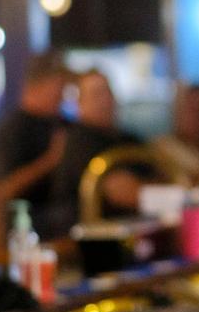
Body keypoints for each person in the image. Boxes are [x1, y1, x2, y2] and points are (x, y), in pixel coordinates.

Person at [45, 69, 142, 234]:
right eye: (97, 94)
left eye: (108, 92)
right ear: (80, 104)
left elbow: (163, 176)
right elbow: (123, 193)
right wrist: (172, 196)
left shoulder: (129, 138)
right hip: (87, 248)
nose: (105, 101)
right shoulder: (79, 141)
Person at [0, 52, 71, 235]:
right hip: (29, 231)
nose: (63, 95)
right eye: (59, 87)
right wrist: (50, 160)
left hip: (62, 222)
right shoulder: (16, 127)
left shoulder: (61, 122)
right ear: (40, 84)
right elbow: (6, 189)